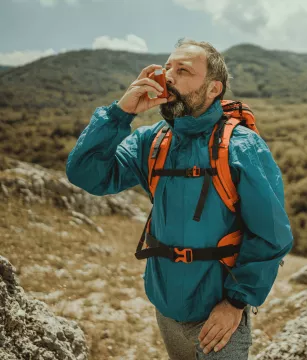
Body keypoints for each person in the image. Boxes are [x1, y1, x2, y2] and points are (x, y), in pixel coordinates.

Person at [66, 38, 294, 360]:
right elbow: (86, 173)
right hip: (165, 307)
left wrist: (235, 304)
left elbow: (271, 234)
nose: (169, 76)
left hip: (217, 319)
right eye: (167, 67)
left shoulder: (242, 146)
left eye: (183, 70)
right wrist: (120, 114)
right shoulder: (151, 141)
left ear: (214, 89)